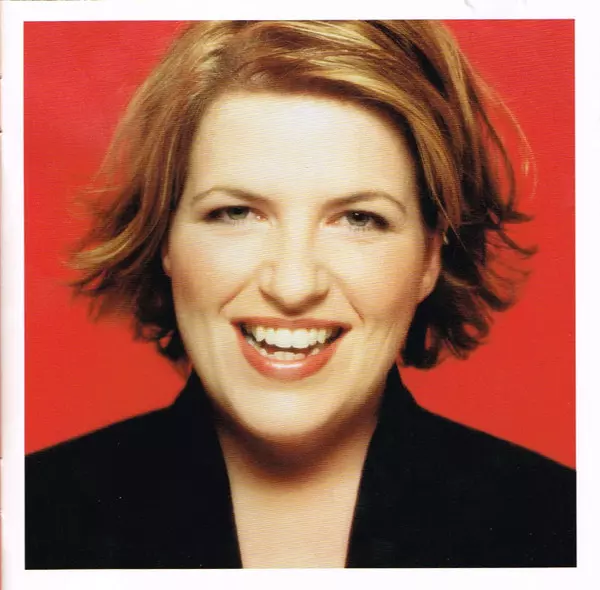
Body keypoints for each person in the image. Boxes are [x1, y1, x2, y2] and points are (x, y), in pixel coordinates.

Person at [25, 20, 575, 569]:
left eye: (359, 219)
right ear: (165, 237)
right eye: (235, 212)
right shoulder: (28, 520)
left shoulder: (565, 528)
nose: (292, 286)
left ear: (430, 258)